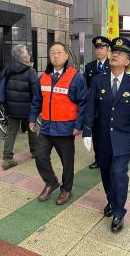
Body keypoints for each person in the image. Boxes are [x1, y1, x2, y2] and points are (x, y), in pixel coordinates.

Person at [82, 37, 130, 233]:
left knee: (118, 175)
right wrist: (87, 131)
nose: (115, 54)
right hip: (102, 138)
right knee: (106, 174)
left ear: (128, 61)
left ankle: (119, 211)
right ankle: (112, 200)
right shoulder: (98, 80)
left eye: (121, 53)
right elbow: (90, 107)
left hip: (123, 138)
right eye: (114, 51)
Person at [29, 42, 87, 205]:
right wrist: (32, 118)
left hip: (66, 128)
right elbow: (37, 100)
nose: (55, 55)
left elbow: (83, 103)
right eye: (52, 53)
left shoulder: (76, 77)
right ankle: (51, 182)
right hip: (46, 127)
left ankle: (66, 189)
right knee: (40, 155)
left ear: (66, 56)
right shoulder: (44, 77)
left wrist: (79, 125)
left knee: (67, 162)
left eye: (59, 52)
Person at [1, 45, 39, 170]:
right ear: (22, 56)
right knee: (32, 128)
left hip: (12, 108)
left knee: (11, 132)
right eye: (27, 53)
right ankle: (35, 152)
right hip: (28, 108)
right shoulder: (30, 71)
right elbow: (36, 93)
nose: (28, 55)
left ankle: (7, 159)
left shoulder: (8, 69)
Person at [84, 36, 111, 169]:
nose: (99, 50)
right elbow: (86, 87)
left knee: (106, 134)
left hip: (108, 106)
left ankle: (108, 158)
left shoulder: (112, 65)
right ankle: (98, 159)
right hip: (94, 107)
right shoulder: (90, 66)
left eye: (102, 48)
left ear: (107, 50)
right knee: (95, 135)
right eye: (97, 48)